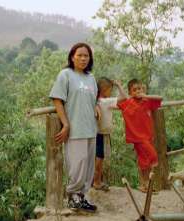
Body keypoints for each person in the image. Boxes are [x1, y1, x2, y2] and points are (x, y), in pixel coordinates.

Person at [49, 42, 98, 213]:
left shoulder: (91, 78)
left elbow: (93, 99)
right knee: (78, 164)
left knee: (89, 166)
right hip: (75, 129)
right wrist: (66, 123)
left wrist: (97, 107)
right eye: (80, 55)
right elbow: (57, 99)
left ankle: (82, 197)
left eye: (86, 56)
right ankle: (72, 196)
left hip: (91, 128)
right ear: (72, 57)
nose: (83, 58)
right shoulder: (66, 75)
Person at [117, 78, 163, 193]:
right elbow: (120, 100)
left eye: (140, 89)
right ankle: (145, 183)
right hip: (137, 138)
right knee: (152, 157)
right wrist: (119, 86)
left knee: (144, 161)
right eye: (134, 90)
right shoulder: (129, 103)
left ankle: (144, 184)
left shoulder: (146, 101)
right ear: (130, 93)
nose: (138, 91)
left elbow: (160, 98)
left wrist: (145, 95)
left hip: (147, 136)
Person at [93, 78, 126, 191]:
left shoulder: (97, 101)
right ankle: (97, 182)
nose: (111, 92)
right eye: (110, 90)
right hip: (101, 134)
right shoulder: (105, 102)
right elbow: (124, 98)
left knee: (99, 158)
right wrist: (119, 85)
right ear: (104, 90)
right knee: (99, 159)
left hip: (99, 133)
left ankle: (97, 181)